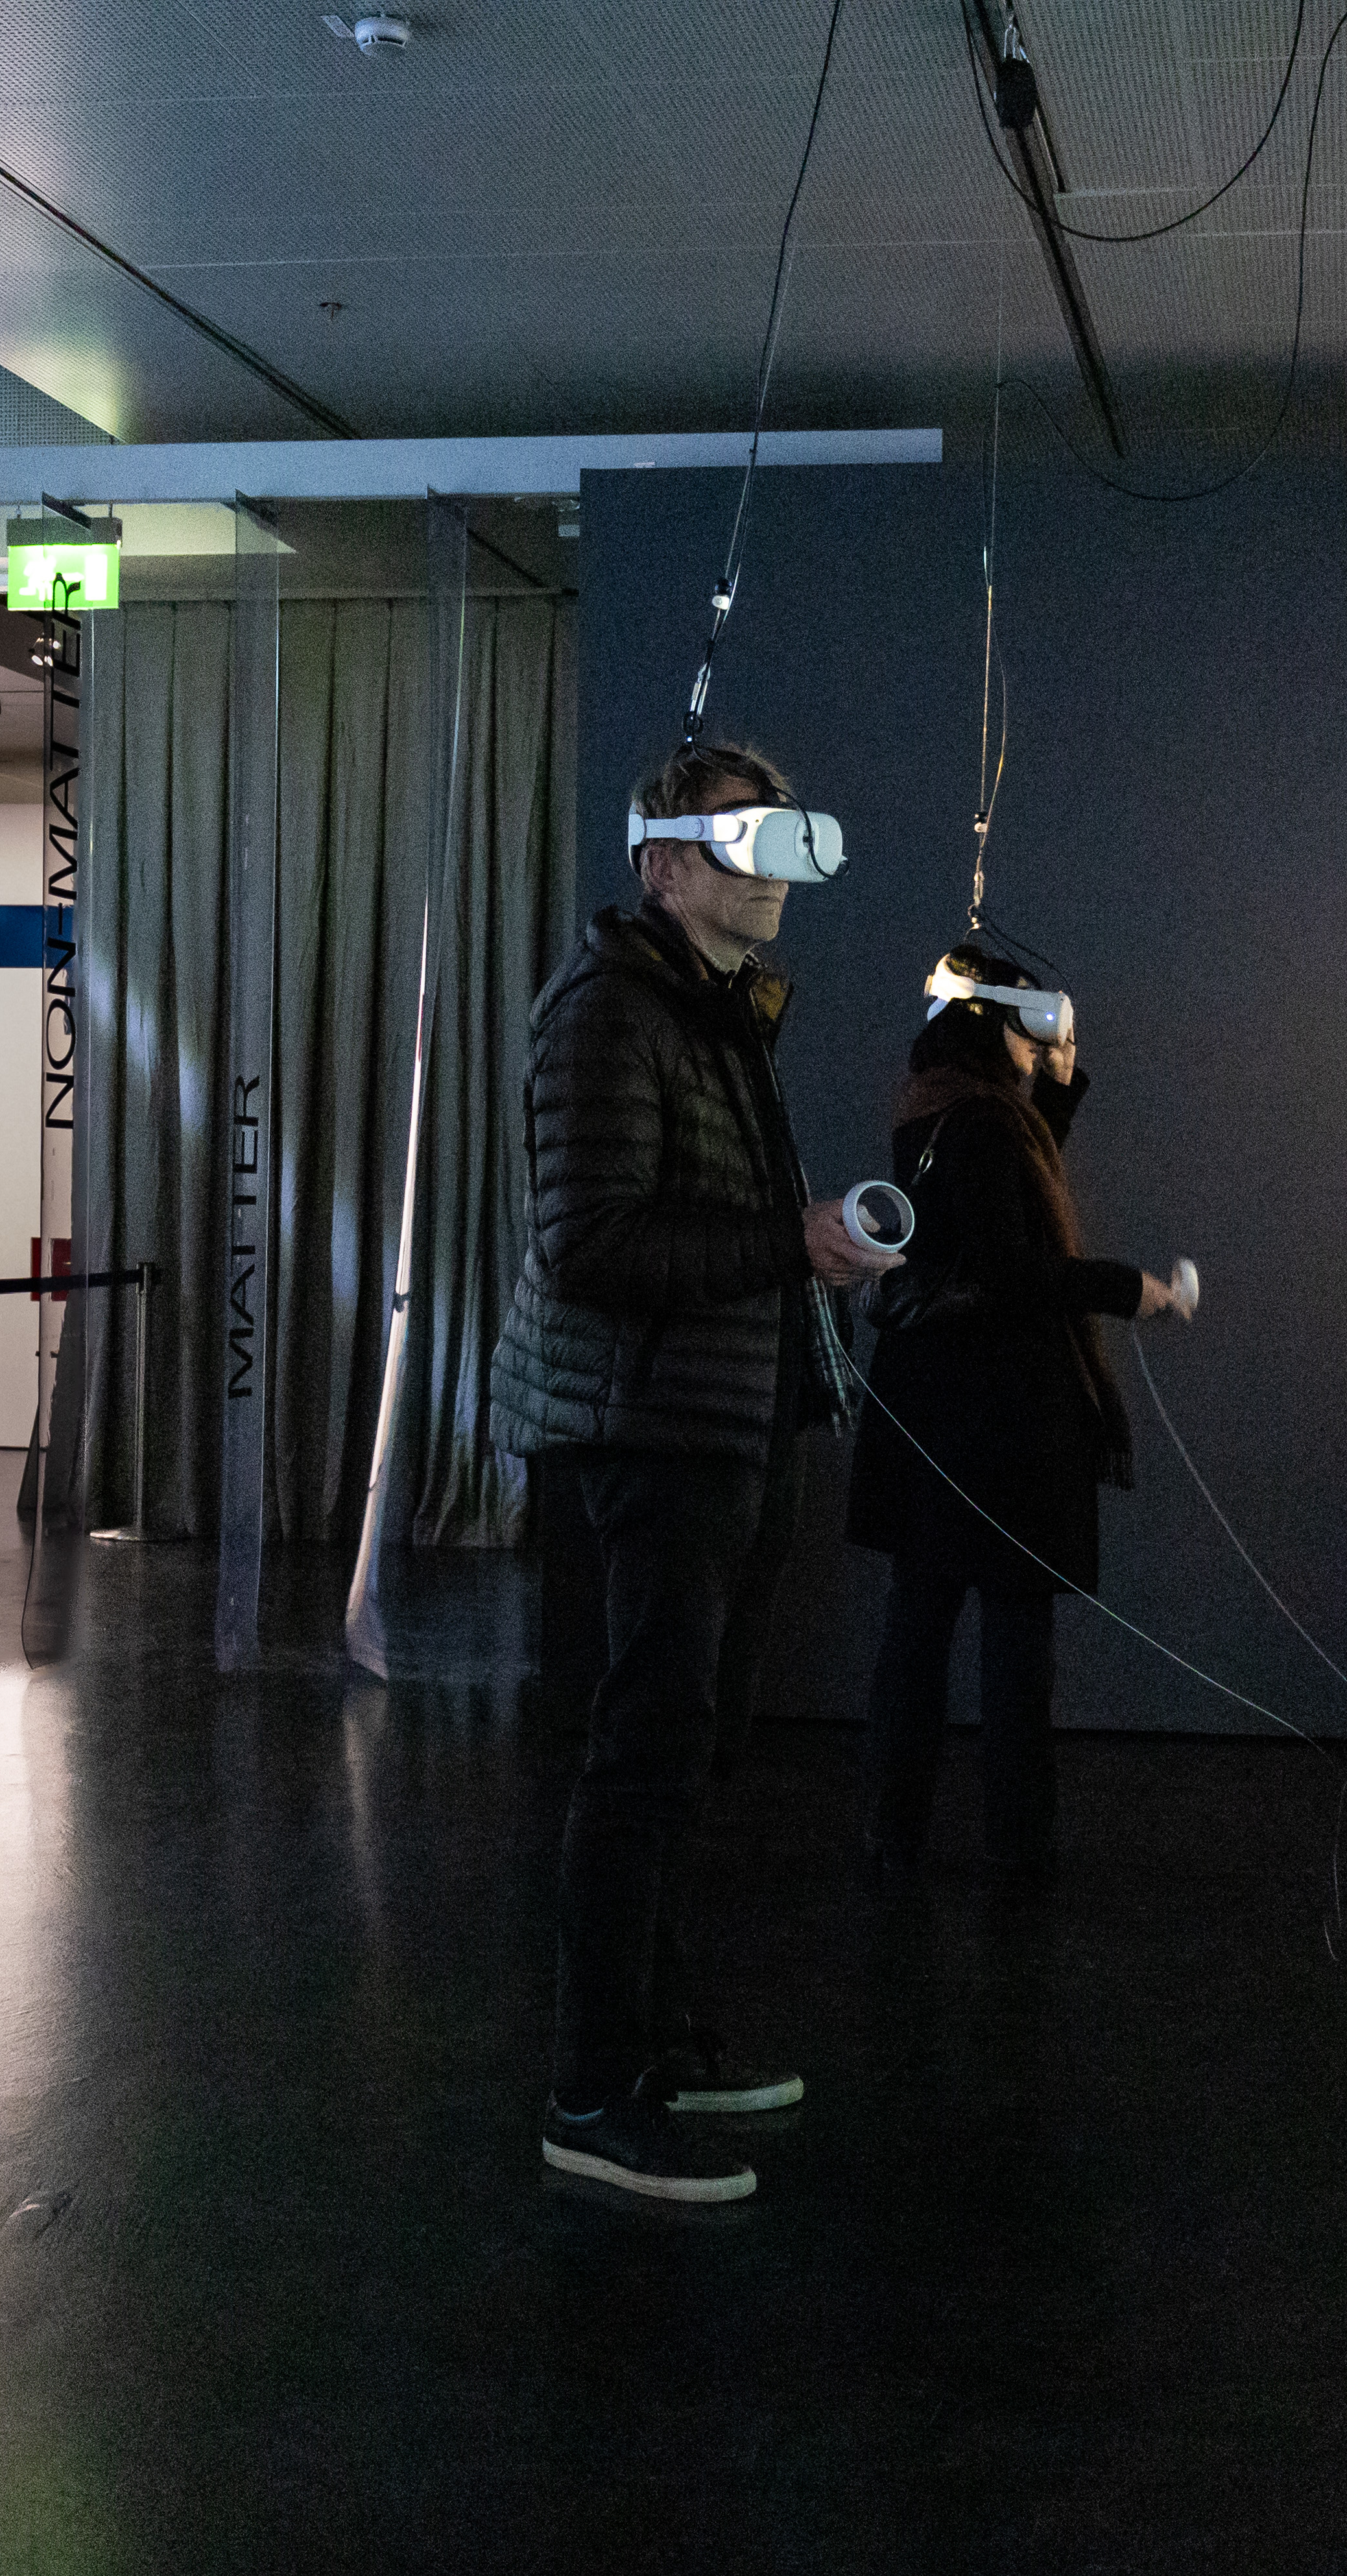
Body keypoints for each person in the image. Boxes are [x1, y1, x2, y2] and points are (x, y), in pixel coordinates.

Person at [497, 738, 899, 2204]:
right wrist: (786, 1243)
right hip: (649, 1433)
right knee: (640, 1759)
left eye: (781, 840)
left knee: (687, 1759)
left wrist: (806, 1248)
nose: (773, 871)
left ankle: (656, 2045)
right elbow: (590, 1245)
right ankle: (591, 2093)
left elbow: (700, 1221)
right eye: (744, 842)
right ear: (663, 862)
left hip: (723, 1422)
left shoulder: (708, 1007)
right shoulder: (604, 1011)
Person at [846, 945, 1189, 1890]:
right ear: (1002, 1025)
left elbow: (999, 1210)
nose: (1045, 1049)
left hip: (933, 1413)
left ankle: (895, 1835)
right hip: (994, 1425)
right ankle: (1015, 1848)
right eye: (1033, 1032)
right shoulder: (987, 1127)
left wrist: (1061, 1099)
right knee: (1011, 1645)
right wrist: (1130, 1290)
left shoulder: (940, 1110)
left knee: (918, 1628)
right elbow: (1012, 1264)